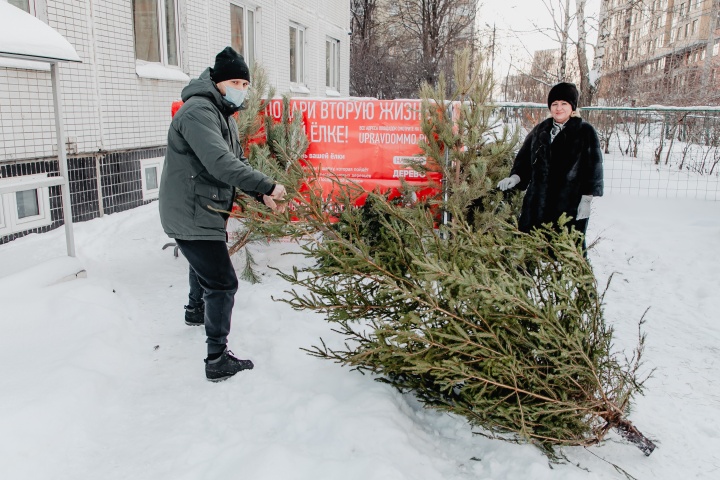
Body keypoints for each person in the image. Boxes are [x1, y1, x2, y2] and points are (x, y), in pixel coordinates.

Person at [159, 47, 287, 382]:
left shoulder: (222, 116)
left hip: (200, 207)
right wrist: (269, 184)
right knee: (223, 282)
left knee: (204, 264)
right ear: (216, 82)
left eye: (245, 83)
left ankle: (195, 310)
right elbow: (220, 163)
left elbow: (238, 162)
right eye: (234, 81)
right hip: (191, 212)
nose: (241, 89)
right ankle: (217, 359)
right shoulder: (198, 112)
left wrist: (259, 191)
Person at [497, 82, 603, 255]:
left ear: (572, 106)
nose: (558, 108)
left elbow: (594, 169)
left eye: (564, 104)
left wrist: (586, 200)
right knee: (527, 250)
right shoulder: (541, 130)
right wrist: (515, 177)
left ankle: (580, 282)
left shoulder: (585, 132)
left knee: (570, 252)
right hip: (536, 203)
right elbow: (524, 161)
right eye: (554, 104)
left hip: (568, 205)